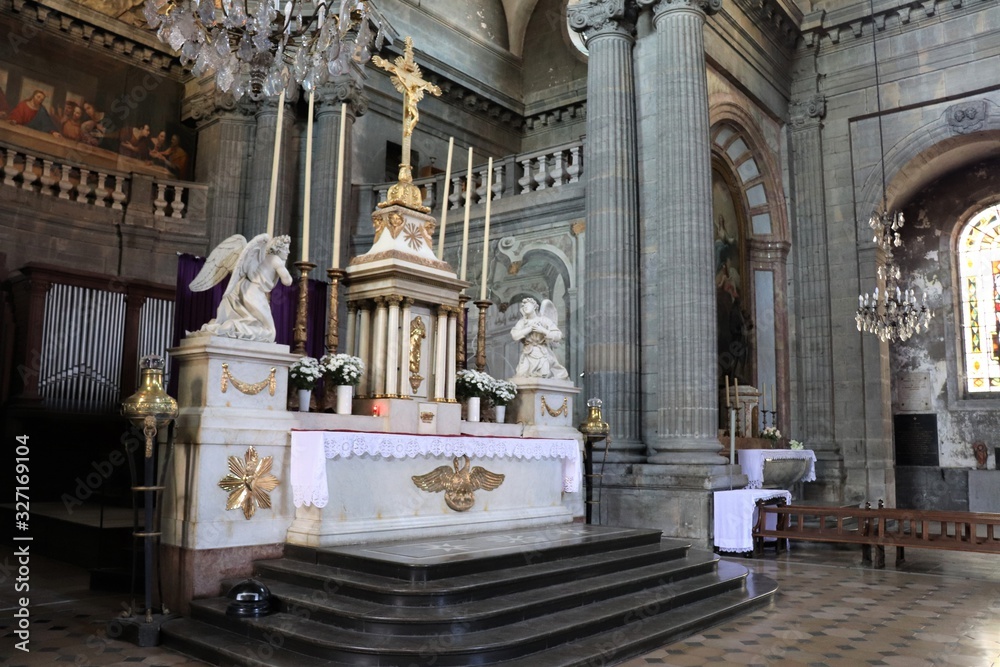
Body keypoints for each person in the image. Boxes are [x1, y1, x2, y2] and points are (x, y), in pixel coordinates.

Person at [190, 234, 294, 343]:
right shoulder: (276, 260)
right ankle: (232, 326)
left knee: (255, 323)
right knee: (270, 333)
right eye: (286, 249)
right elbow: (287, 281)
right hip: (254, 291)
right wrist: (282, 266)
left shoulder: (263, 258)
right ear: (277, 250)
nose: (288, 252)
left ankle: (232, 325)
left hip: (244, 287)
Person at [510, 297, 569, 380]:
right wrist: (529, 329)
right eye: (523, 306)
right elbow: (515, 335)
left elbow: (558, 335)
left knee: (543, 375)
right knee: (520, 376)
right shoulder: (522, 322)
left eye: (528, 305)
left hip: (542, 353)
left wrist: (543, 330)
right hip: (528, 353)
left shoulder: (544, 320)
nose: (525, 307)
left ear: (534, 307)